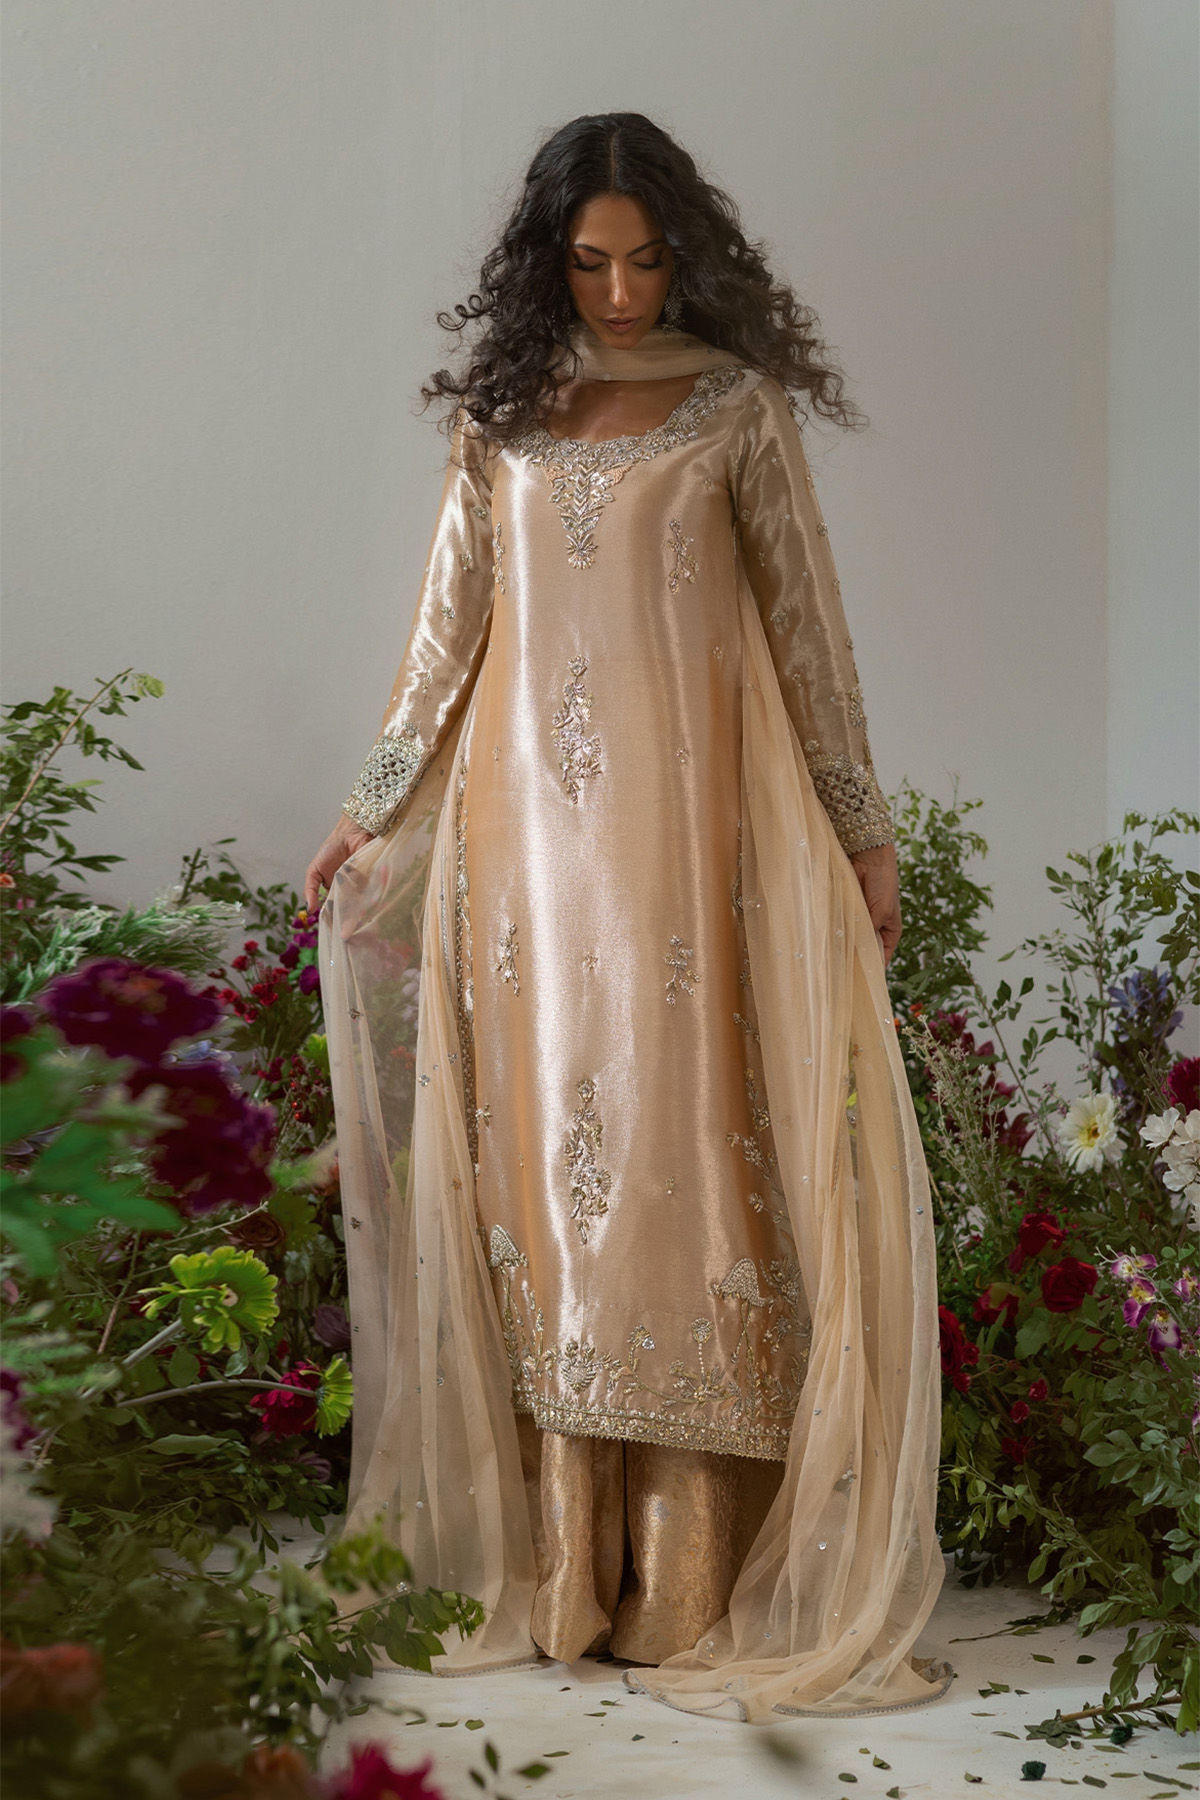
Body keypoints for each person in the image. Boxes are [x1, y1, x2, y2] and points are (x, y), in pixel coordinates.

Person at [306, 112, 953, 1724]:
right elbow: (448, 629)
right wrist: (371, 808)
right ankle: (562, 1568)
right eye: (590, 262)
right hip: (526, 855)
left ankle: (686, 1573)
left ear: (687, 255)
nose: (618, 292)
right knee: (543, 1169)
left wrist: (862, 831)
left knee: (681, 1163)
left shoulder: (734, 405)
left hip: (689, 850)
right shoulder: (501, 416)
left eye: (646, 261)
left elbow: (807, 626)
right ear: (548, 261)